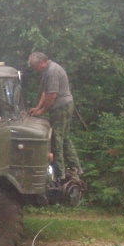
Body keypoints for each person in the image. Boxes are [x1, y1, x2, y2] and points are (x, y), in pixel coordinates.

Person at [28, 52, 82, 180]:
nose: (36, 69)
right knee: (65, 138)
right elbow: (45, 92)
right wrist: (38, 108)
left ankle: (60, 174)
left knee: (56, 139)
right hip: (65, 105)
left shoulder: (52, 72)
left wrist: (42, 111)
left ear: (42, 62)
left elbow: (52, 95)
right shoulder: (47, 70)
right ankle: (77, 167)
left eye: (36, 67)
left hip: (61, 107)